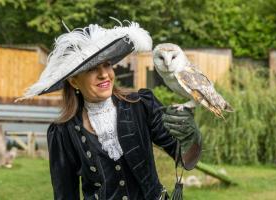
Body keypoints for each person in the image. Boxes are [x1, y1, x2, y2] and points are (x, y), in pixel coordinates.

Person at [16, 20, 202, 200]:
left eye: (107, 65)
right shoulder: (64, 132)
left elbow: (185, 159)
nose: (104, 74)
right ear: (74, 81)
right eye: (91, 69)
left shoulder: (141, 105)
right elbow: (65, 194)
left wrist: (192, 138)